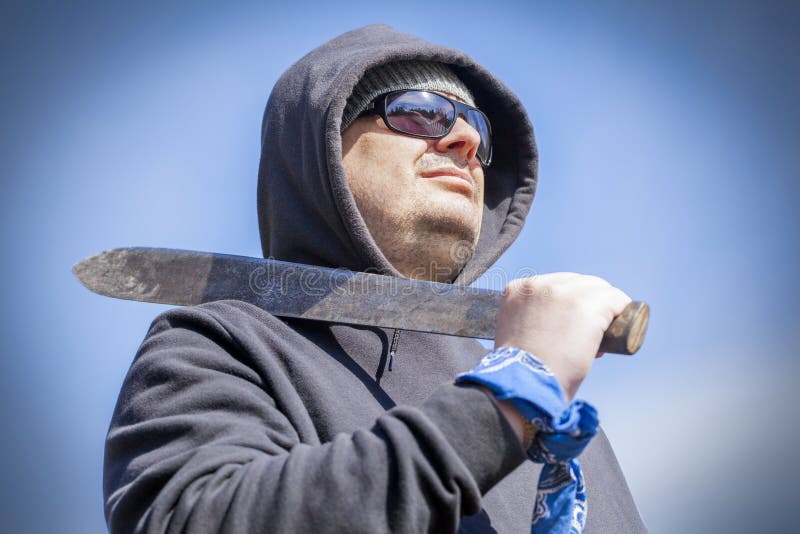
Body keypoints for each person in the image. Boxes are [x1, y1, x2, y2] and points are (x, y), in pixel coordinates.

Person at [103, 25, 648, 533]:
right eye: (420, 112)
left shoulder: (564, 433)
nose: (465, 140)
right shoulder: (222, 350)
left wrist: (523, 388)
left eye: (478, 129)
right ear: (320, 148)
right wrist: (503, 404)